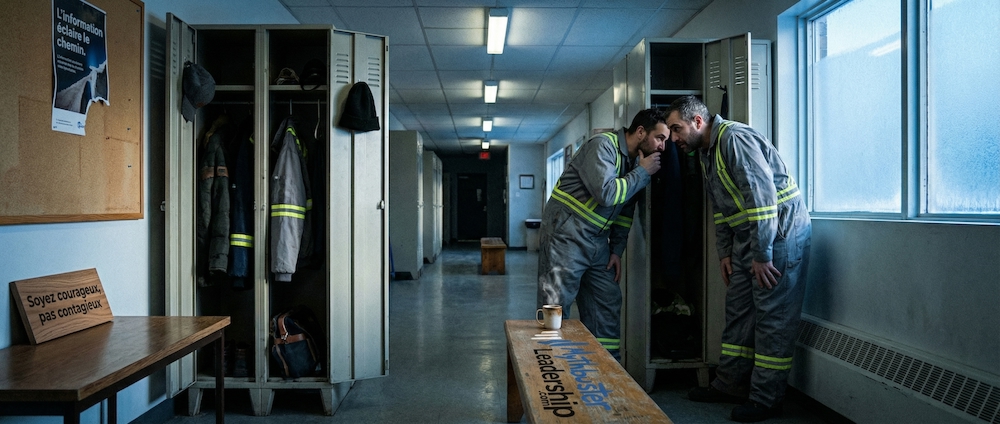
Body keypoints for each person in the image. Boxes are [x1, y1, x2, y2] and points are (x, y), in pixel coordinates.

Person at [664, 95, 811, 423]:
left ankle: (765, 399)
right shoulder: (706, 152)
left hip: (777, 237)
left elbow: (762, 200)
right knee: (739, 311)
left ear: (698, 122)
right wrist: (726, 253)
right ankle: (729, 384)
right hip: (749, 239)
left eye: (676, 128)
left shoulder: (735, 139)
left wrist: (761, 254)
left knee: (773, 318)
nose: (673, 138)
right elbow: (721, 209)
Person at [536, 108, 667, 360]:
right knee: (555, 305)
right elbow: (606, 195)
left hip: (597, 243)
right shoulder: (603, 146)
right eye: (659, 138)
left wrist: (616, 250)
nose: (662, 147)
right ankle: (551, 371)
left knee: (606, 302)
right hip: (566, 237)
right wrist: (642, 173)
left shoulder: (636, 164)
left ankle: (605, 369)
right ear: (640, 132)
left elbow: (625, 212)